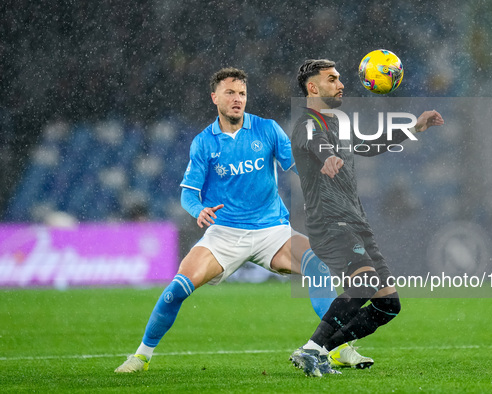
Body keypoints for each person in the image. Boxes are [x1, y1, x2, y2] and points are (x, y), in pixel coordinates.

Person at [114, 67, 369, 373]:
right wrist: (199, 211)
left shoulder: (267, 129)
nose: (237, 99)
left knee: (318, 267)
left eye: (242, 94)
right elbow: (188, 195)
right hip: (224, 233)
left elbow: (298, 165)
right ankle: (141, 355)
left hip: (271, 230)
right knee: (176, 289)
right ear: (215, 97)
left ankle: (338, 347)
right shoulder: (204, 143)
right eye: (230, 93)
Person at [289, 59, 444, 377]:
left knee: (388, 305)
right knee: (365, 283)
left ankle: (325, 351)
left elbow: (369, 146)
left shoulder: (339, 123)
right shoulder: (307, 122)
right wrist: (327, 155)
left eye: (340, 77)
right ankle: (311, 349)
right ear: (313, 88)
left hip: (356, 221)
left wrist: (414, 128)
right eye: (332, 79)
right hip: (330, 222)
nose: (341, 83)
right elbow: (315, 143)